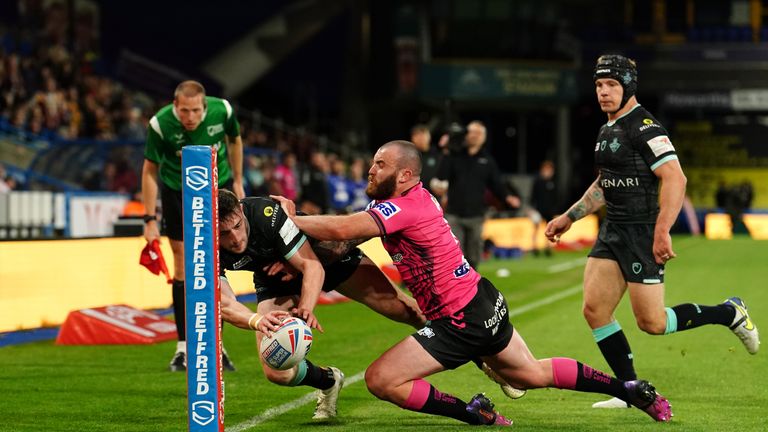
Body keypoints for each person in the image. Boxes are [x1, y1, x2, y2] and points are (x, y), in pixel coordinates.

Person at [273, 140, 673, 426]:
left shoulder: (405, 205)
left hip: (459, 319)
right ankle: (630, 389)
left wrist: (284, 219)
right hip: (483, 301)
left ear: (406, 174)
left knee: (381, 380)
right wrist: (293, 256)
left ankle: (473, 413)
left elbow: (343, 226)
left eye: (380, 164)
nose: (370, 169)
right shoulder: (394, 203)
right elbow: (346, 237)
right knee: (531, 374)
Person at [545, 54, 760, 409]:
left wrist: (662, 231)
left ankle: (729, 312)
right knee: (594, 309)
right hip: (613, 230)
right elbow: (605, 183)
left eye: (612, 84)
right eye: (599, 85)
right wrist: (571, 216)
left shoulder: (645, 126)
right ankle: (630, 390)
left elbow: (675, 177)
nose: (603, 92)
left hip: (642, 232)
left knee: (653, 323)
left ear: (628, 86)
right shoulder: (606, 129)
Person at [216, 188, 425, 420]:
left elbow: (312, 266)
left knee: (410, 311)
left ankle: (458, 339)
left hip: (324, 256)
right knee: (276, 371)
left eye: (237, 226)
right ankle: (328, 380)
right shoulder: (205, 247)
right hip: (274, 277)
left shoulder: (266, 214)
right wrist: (257, 320)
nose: (235, 239)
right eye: (224, 233)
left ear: (241, 211)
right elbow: (222, 303)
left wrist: (305, 308)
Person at [141, 80, 245, 372]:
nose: (190, 117)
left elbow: (235, 140)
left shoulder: (222, 110)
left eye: (196, 111)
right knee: (182, 265)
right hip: (178, 191)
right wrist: (149, 220)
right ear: (175, 106)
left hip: (218, 186)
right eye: (184, 111)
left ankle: (216, 345)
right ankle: (184, 348)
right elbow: (149, 170)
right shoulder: (160, 125)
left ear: (204, 106)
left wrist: (237, 179)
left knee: (213, 265)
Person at [432, 121, 520, 269]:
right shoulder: (454, 155)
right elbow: (441, 176)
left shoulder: (487, 160)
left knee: (474, 255)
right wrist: (447, 151)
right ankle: (456, 287)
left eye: (478, 133)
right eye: (471, 132)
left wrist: (507, 197)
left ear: (483, 138)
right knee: (455, 254)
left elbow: (496, 184)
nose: (474, 136)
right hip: (454, 213)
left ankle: (472, 286)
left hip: (476, 214)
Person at [529, 160, 558, 257]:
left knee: (550, 230)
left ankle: (548, 248)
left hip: (549, 211)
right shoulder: (538, 181)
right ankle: (534, 247)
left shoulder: (553, 182)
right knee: (536, 228)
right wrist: (531, 209)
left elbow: (555, 198)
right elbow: (532, 196)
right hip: (538, 209)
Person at [410, 124, 442, 196]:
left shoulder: (438, 155)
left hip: (433, 196)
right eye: (417, 135)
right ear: (412, 138)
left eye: (423, 134)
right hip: (413, 196)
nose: (421, 138)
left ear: (429, 136)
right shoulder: (408, 156)